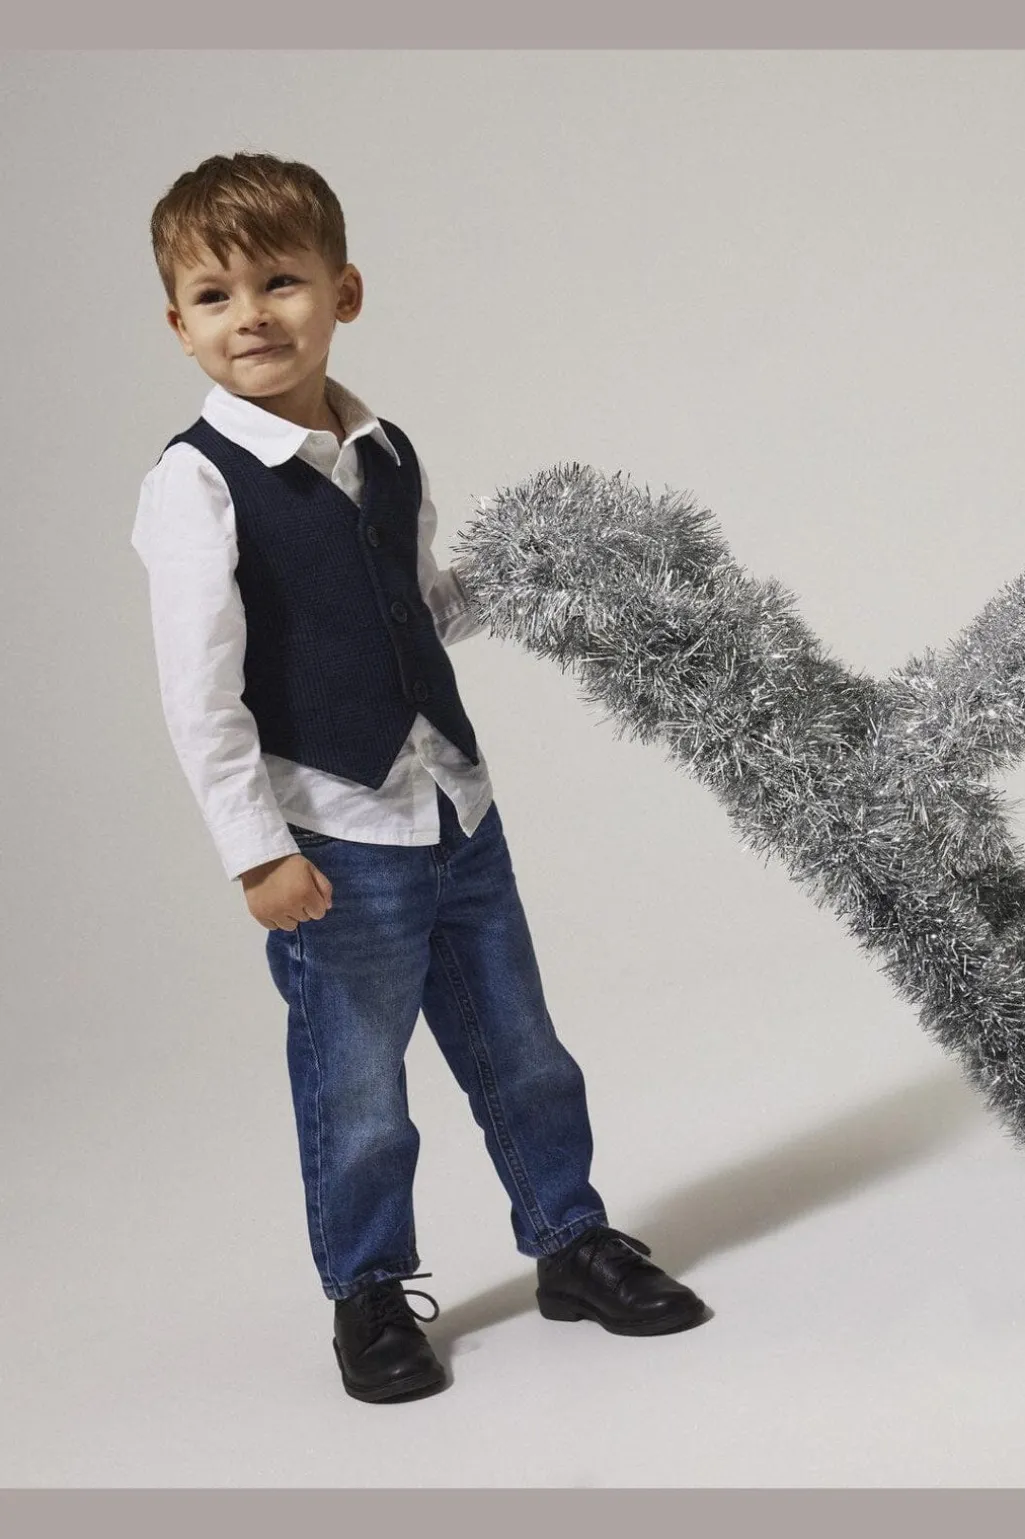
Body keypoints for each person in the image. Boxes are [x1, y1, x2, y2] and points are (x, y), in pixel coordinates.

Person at [131, 150, 707, 1405]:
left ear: (343, 292)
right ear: (179, 326)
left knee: (524, 1049)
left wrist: (526, 572)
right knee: (357, 1088)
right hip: (333, 835)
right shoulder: (196, 483)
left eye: (280, 283)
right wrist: (256, 849)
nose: (252, 317)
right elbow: (201, 694)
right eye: (216, 297)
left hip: (454, 807)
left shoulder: (385, 451)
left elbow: (415, 608)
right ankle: (369, 1292)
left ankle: (569, 1241)